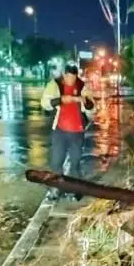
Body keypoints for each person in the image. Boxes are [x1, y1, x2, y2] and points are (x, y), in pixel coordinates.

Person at [40, 64, 95, 194]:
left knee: (75, 162)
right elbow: (45, 103)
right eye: (68, 77)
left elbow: (92, 108)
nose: (71, 80)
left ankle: (76, 191)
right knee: (56, 162)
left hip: (77, 132)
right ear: (64, 75)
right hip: (59, 131)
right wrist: (61, 100)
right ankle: (56, 189)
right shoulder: (55, 85)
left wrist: (84, 100)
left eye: (73, 78)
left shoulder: (82, 86)